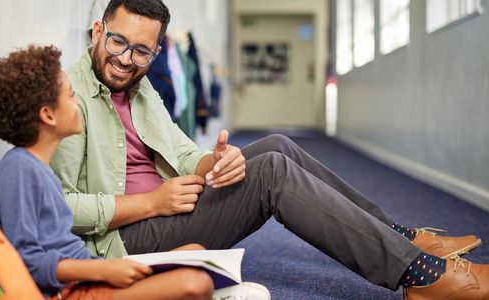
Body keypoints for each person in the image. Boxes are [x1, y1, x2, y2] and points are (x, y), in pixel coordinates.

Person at [50, 0, 489, 298]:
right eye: (118, 42)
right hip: (126, 241)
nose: (126, 59)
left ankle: (402, 238)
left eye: (142, 51)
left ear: (156, 52)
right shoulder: (68, 96)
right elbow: (61, 209)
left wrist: (216, 163)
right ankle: (419, 275)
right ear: (97, 30)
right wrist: (149, 202)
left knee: (276, 145)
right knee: (273, 173)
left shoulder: (140, 89)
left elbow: (184, 154)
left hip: (171, 205)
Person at [0, 45, 219, 300]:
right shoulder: (18, 171)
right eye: (71, 96)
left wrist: (103, 268)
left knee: (196, 253)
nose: (78, 101)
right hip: (71, 291)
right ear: (48, 115)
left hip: (87, 274)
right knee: (195, 283)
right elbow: (28, 262)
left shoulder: (37, 169)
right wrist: (104, 270)